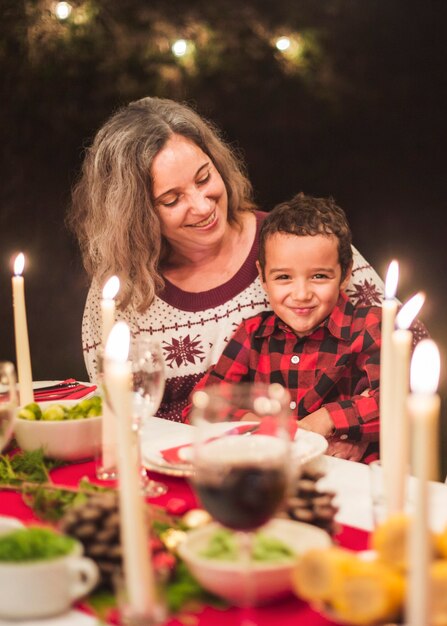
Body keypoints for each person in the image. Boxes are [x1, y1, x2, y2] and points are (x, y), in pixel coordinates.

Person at [68, 96, 387, 424]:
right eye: (172, 199)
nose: (203, 206)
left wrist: (339, 427)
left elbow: (405, 356)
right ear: (136, 215)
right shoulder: (120, 292)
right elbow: (119, 412)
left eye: (204, 178)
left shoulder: (297, 246)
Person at [185, 193, 381, 462]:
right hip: (268, 473)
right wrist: (262, 426)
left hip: (351, 478)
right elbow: (202, 403)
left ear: (345, 274)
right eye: (284, 277)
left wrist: (326, 419)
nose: (301, 294)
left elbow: (400, 402)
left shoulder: (369, 326)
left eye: (319, 276)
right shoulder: (253, 334)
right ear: (263, 277)